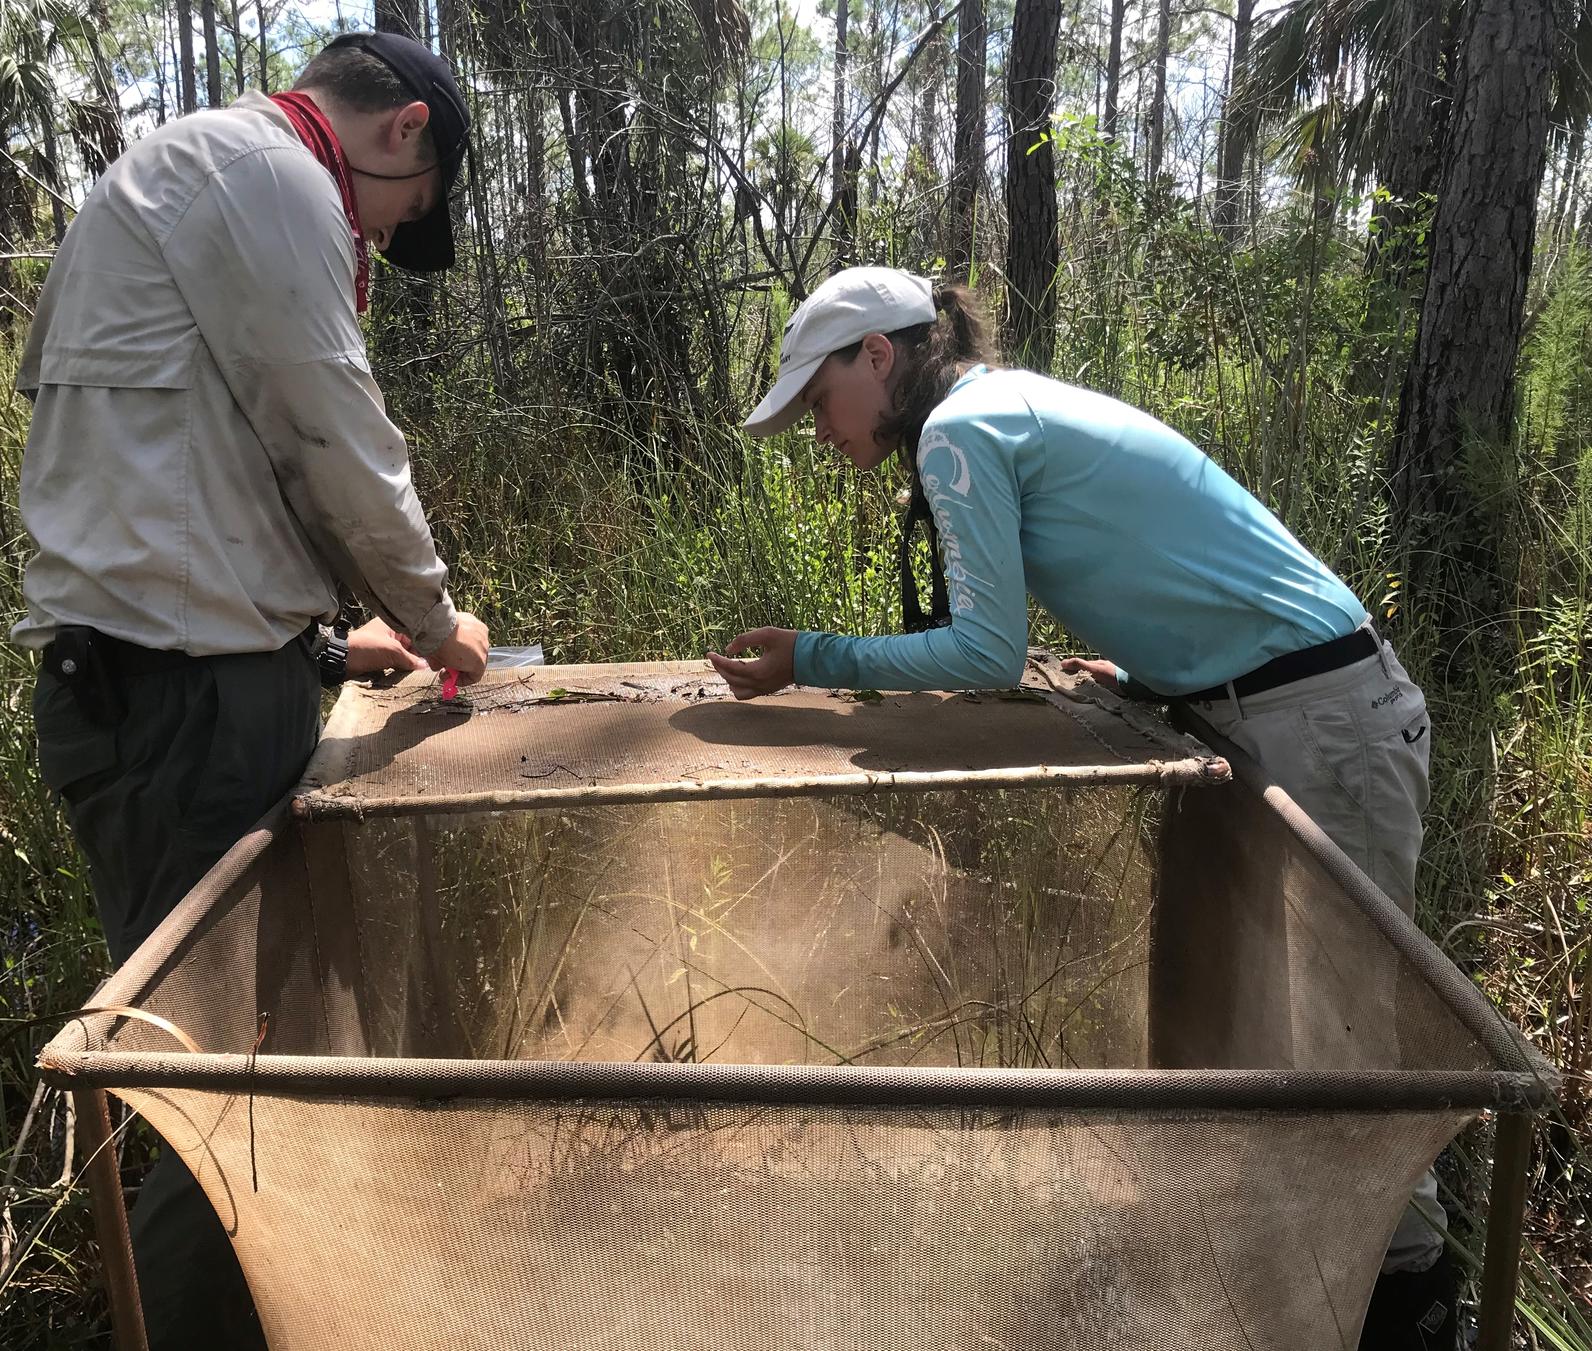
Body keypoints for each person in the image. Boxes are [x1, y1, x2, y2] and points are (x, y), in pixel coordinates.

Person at [708, 266, 1454, 1350]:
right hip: (1276, 705)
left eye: (816, 403)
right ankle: (1294, 1282)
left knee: (1350, 1035)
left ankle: (1411, 1303)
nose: (819, 432)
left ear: (878, 357)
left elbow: (983, 648)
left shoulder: (959, 429)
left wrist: (809, 662)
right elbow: (1176, 560)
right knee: (1263, 1020)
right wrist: (1157, 674)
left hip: (1319, 721)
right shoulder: (998, 405)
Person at [13, 31, 491, 1348]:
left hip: (153, 686)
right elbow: (331, 432)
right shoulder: (275, 179)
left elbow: (176, 479)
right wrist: (443, 623)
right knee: (244, 1073)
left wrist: (328, 650)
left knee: (203, 1055)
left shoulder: (179, 173)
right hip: (188, 711)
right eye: (407, 216)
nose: (389, 242)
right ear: (400, 131)